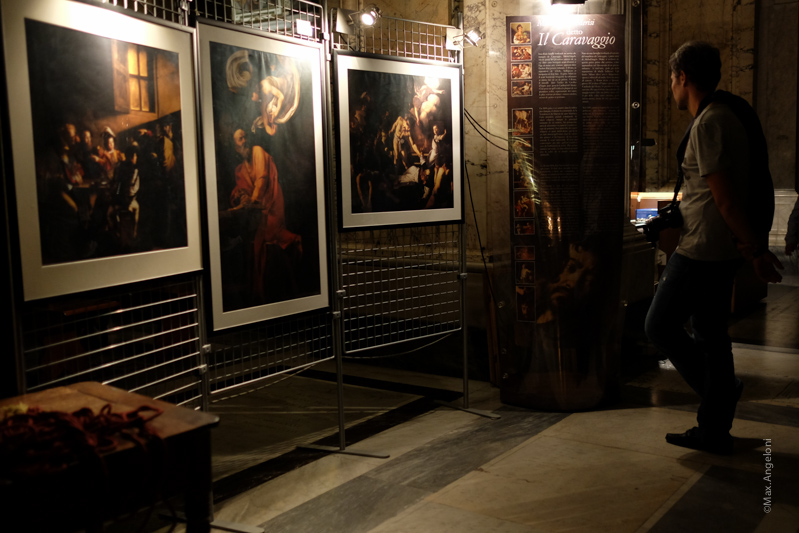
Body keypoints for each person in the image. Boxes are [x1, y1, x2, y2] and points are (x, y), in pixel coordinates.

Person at [645, 41, 783, 455]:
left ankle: (721, 392)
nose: (671, 87)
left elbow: (725, 200)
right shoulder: (728, 113)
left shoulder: (709, 123)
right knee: (710, 334)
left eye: (671, 78)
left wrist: (756, 252)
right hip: (720, 248)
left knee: (659, 325)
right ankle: (713, 429)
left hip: (702, 248)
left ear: (683, 77)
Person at [229, 128, 302, 302]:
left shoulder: (257, 151)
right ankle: (258, 289)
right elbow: (242, 189)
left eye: (245, 136)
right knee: (254, 239)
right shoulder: (240, 169)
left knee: (269, 235)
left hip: (272, 201)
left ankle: (295, 240)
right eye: (240, 139)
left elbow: (262, 180)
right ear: (236, 147)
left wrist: (252, 200)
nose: (245, 140)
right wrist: (241, 196)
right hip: (259, 208)